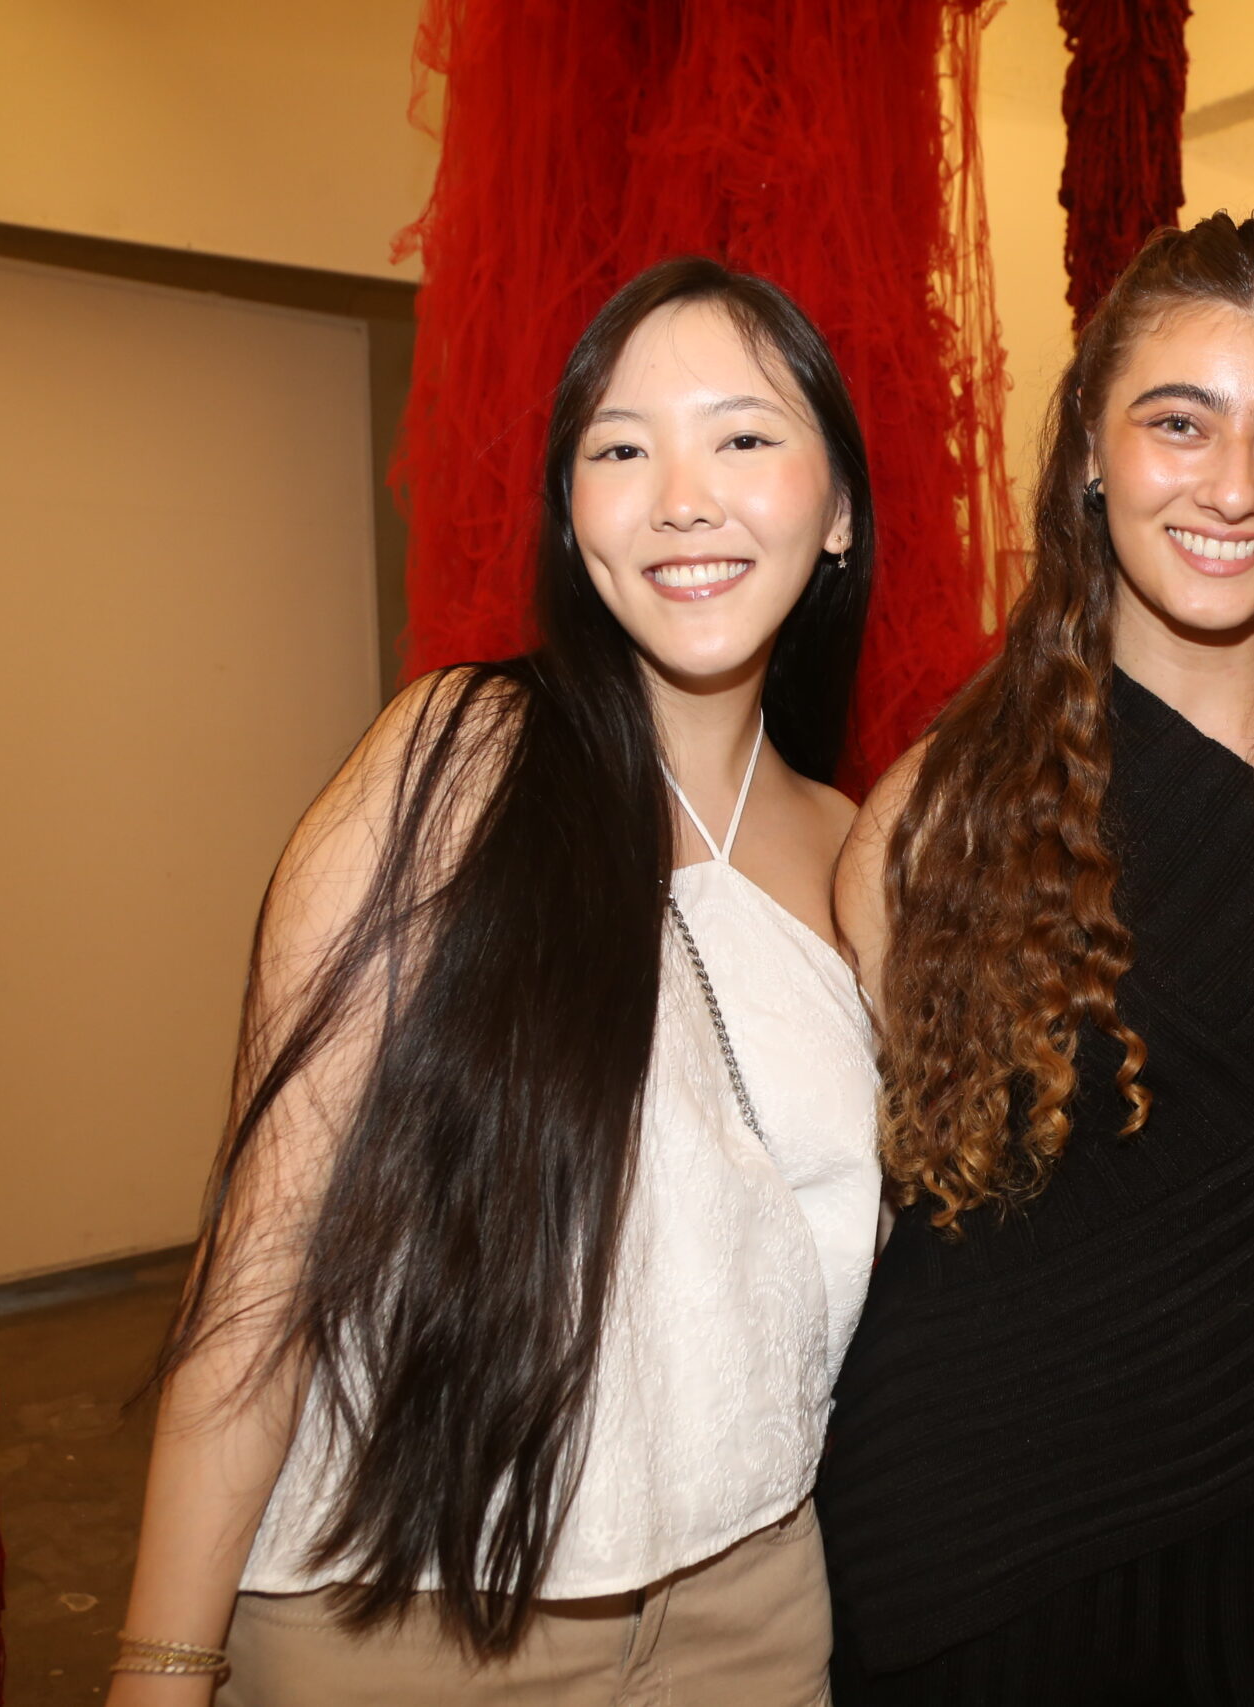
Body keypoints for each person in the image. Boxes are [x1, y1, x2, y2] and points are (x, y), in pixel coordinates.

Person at [104, 258, 882, 1707]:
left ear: (838, 506)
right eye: (620, 451)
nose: (682, 498)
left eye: (742, 436)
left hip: (760, 1614)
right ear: (573, 517)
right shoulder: (458, 761)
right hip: (415, 1613)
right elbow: (266, 1255)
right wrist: (160, 1671)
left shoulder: (860, 855)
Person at [816, 212, 1254, 1706]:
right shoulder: (948, 809)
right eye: (1180, 422)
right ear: (1091, 446)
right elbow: (853, 1206)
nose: (1234, 486)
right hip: (987, 1547)